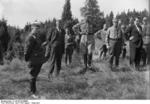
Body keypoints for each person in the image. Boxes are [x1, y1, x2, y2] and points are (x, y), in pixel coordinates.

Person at [24, 21, 46, 98]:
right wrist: (27, 59)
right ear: (32, 28)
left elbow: (37, 46)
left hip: (38, 59)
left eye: (38, 29)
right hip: (33, 59)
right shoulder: (30, 37)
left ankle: (33, 90)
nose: (37, 30)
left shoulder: (36, 37)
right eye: (36, 28)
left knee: (35, 76)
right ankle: (32, 93)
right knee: (33, 76)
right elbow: (27, 50)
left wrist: (42, 45)